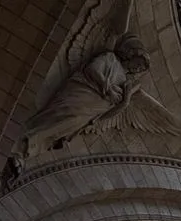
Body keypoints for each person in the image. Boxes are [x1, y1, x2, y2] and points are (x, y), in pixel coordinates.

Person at [20, 34, 150, 159]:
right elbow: (92, 69)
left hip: (90, 112)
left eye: (141, 69)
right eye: (138, 63)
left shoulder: (124, 83)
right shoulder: (110, 58)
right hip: (82, 94)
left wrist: (125, 101)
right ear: (130, 55)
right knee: (59, 115)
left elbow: (109, 113)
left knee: (62, 129)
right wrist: (108, 88)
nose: (138, 68)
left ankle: (28, 149)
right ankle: (24, 141)